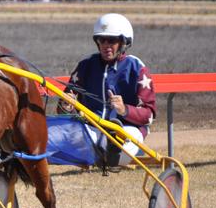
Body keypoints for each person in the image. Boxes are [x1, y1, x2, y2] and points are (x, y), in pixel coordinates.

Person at [57, 13, 157, 168]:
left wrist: (125, 110)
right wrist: (66, 106)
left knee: (122, 141)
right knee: (60, 134)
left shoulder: (137, 68)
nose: (105, 45)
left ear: (124, 42)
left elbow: (148, 115)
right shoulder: (85, 65)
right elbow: (63, 108)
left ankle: (110, 152)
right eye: (101, 40)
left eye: (112, 40)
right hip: (91, 128)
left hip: (127, 129)